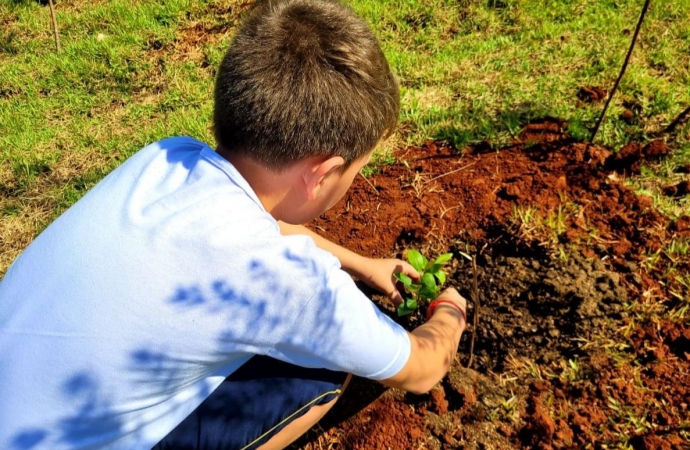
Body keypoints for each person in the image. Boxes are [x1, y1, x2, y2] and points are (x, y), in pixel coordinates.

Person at [0, 0, 467, 448]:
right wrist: (450, 312)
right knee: (320, 371)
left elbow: (269, 230)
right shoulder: (291, 285)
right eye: (355, 170)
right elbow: (423, 368)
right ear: (323, 173)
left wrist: (363, 265)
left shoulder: (165, 158)